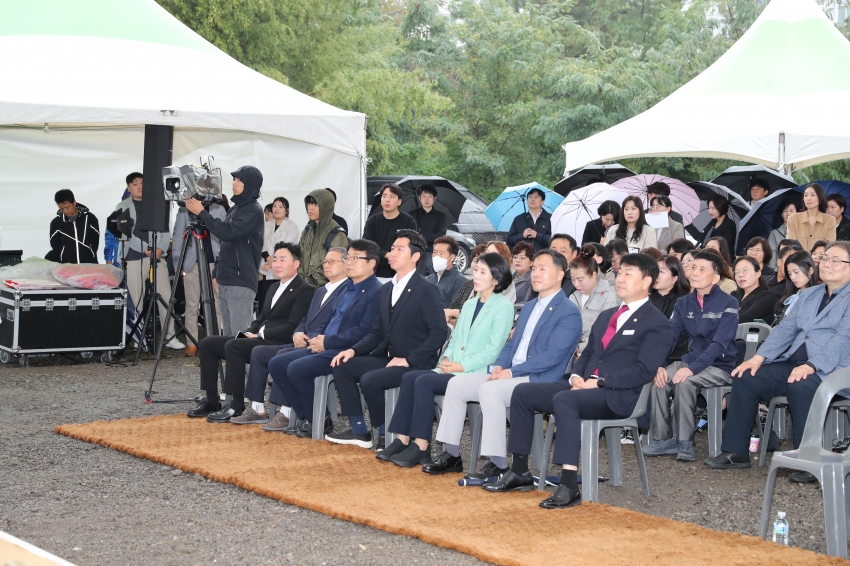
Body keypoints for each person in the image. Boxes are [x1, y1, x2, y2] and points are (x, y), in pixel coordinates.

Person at [485, 253, 672, 506]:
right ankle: (519, 471)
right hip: (585, 386)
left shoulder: (657, 323)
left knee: (565, 401)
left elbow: (644, 370)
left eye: (629, 273)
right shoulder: (608, 316)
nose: (620, 278)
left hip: (619, 394)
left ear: (647, 281)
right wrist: (575, 376)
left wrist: (602, 382)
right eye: (620, 272)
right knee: (523, 393)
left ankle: (569, 484)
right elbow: (588, 355)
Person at [705, 242, 850, 479]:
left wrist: (812, 365)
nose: (827, 264)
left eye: (836, 260)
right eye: (824, 259)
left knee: (800, 385)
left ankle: (809, 460)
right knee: (745, 375)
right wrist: (758, 358)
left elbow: (843, 338)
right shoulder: (810, 294)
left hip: (833, 369)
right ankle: (735, 452)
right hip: (795, 364)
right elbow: (786, 330)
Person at [432, 249, 582, 478]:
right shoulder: (530, 306)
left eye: (543, 269)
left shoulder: (569, 311)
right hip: (511, 373)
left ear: (561, 274)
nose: (536, 274)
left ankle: (498, 463)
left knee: (490, 391)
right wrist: (498, 366)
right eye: (534, 269)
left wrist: (511, 371)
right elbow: (511, 345)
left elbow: (552, 357)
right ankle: (451, 454)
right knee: (456, 385)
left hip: (537, 378)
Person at [377, 253, 514, 468]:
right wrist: (446, 359)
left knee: (422, 381)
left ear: (496, 279)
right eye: (475, 270)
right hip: (453, 367)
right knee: (410, 377)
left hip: (476, 371)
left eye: (482, 272)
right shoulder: (469, 305)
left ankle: (422, 446)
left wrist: (460, 366)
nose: (475, 276)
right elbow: (455, 339)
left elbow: (493, 350)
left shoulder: (503, 306)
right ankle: (402, 439)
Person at [328, 230, 447, 448]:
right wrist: (353, 350)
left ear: (415, 256)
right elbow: (377, 333)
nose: (392, 253)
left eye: (399, 249)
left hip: (416, 362)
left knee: (370, 380)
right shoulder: (387, 289)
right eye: (392, 249)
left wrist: (409, 360)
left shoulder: (426, 289)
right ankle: (359, 430)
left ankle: (384, 433)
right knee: (343, 364)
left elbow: (439, 332)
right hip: (389, 358)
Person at [186, 243, 315, 421]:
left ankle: (236, 404)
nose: (277, 264)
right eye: (275, 259)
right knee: (208, 343)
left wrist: (261, 334)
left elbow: (293, 327)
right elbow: (260, 318)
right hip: (259, 337)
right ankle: (211, 399)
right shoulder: (273, 287)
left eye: (283, 260)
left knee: (234, 346)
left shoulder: (305, 290)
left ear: (296, 264)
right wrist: (249, 332)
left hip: (277, 341)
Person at [267, 240, 383, 437]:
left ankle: (320, 419)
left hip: (346, 349)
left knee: (296, 369)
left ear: (371, 263)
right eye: (348, 258)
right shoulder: (346, 288)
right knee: (277, 363)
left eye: (356, 258)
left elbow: (364, 331)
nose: (349, 262)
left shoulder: (376, 291)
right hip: (325, 344)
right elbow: (328, 319)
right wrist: (316, 338)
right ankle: (311, 416)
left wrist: (327, 342)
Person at [230, 247, 349, 427]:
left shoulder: (347, 291)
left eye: (332, 261)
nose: (326, 265)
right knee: (259, 352)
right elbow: (305, 319)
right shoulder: (321, 291)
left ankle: (285, 411)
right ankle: (257, 408)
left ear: (346, 264)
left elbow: (336, 323)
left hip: (322, 345)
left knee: (280, 357)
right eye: (325, 262)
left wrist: (310, 338)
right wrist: (298, 333)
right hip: (304, 340)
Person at [645, 251, 739, 461]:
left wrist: (692, 369)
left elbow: (719, 344)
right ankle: (663, 440)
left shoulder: (728, 303)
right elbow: (669, 336)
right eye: (693, 267)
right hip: (691, 361)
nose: (694, 272)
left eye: (702, 269)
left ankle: (685, 442)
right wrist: (659, 364)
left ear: (715, 278)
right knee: (659, 380)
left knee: (686, 383)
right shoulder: (684, 302)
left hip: (720, 366)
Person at [185, 166, 265, 337]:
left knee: (240, 338)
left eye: (238, 180)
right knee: (228, 339)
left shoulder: (254, 210)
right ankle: (232, 365)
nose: (234, 183)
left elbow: (228, 232)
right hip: (226, 280)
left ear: (249, 184)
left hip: (240, 281)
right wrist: (217, 273)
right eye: (234, 179)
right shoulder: (235, 208)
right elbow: (225, 245)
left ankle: (245, 366)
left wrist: (202, 213)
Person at [116, 173, 184, 349]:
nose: (139, 186)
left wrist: (160, 248)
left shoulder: (157, 205)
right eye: (135, 183)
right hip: (134, 258)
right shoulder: (122, 206)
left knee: (166, 296)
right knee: (136, 299)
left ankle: (169, 336)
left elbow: (164, 230)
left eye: (142, 183)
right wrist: (147, 248)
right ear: (128, 187)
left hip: (157, 258)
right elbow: (126, 235)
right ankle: (139, 337)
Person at [171, 200, 226, 356]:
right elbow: (177, 236)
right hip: (191, 262)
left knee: (217, 304)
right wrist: (177, 261)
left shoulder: (219, 209)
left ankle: (216, 341)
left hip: (214, 262)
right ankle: (192, 343)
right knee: (192, 304)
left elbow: (225, 236)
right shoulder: (184, 210)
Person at [568, 245, 619, 355]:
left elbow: (606, 332)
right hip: (570, 352)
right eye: (572, 279)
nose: (576, 284)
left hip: (594, 354)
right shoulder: (573, 297)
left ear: (593, 275)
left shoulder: (608, 296)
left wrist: (578, 348)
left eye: (580, 280)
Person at [363, 184, 418, 279]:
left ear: (399, 202)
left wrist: (394, 255)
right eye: (384, 196)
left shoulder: (408, 221)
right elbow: (367, 245)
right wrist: (386, 254)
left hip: (400, 273)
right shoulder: (372, 221)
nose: (387, 200)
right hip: (375, 272)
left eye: (392, 197)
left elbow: (411, 247)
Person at [298, 188, 349, 287]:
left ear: (325, 207)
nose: (310, 208)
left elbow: (333, 265)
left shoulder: (337, 234)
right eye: (309, 203)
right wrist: (300, 282)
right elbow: (299, 258)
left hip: (327, 290)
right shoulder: (308, 230)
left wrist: (307, 284)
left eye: (316, 204)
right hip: (305, 289)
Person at [651, 255, 690, 363]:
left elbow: (672, 336)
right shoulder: (645, 298)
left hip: (673, 358)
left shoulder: (683, 301)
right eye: (655, 271)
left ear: (675, 278)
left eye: (662, 272)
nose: (656, 275)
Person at [48, 189, 99, 264]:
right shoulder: (56, 223)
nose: (65, 211)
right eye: (61, 208)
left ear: (74, 203)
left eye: (67, 207)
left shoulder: (90, 218)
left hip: (89, 266)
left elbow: (95, 241)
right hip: (67, 268)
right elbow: (55, 246)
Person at [787, 183, 836, 253]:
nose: (808, 198)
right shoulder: (793, 219)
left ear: (820, 198)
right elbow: (791, 245)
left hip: (820, 261)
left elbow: (829, 246)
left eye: (812, 195)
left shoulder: (830, 220)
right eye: (806, 195)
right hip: (799, 261)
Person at [774, 250, 819, 326]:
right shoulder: (792, 296)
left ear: (810, 270)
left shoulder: (817, 297)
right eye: (790, 274)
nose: (793, 277)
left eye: (796, 272)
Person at [445, 244, 487, 324]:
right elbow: (453, 306)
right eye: (475, 260)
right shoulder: (468, 284)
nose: (477, 264)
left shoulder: (489, 289)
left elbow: (476, 315)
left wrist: (452, 312)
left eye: (481, 261)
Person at [426, 235, 467, 308]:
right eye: (434, 252)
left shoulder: (460, 282)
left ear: (452, 257)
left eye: (441, 253)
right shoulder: (429, 279)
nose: (436, 256)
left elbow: (456, 310)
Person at [731, 256, 775, 325]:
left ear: (758, 273)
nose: (740, 275)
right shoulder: (734, 295)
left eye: (745, 270)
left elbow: (745, 319)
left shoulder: (767, 297)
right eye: (736, 272)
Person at [505, 188, 552, 252]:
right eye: (530, 197)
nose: (532, 199)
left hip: (542, 257)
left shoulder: (550, 218)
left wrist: (537, 235)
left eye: (536, 197)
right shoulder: (518, 219)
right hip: (523, 258)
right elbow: (509, 241)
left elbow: (554, 240)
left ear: (542, 202)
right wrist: (522, 235)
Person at [409, 184, 449, 254]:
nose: (426, 199)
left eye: (430, 196)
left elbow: (441, 234)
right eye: (424, 196)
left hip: (433, 251)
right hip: (415, 252)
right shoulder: (412, 215)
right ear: (419, 198)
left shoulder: (441, 216)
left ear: (434, 199)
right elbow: (409, 233)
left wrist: (423, 237)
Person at [104, 177, 133, 266]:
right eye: (127, 197)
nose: (129, 200)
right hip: (119, 260)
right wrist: (109, 259)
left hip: (137, 260)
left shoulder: (144, 214)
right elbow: (109, 237)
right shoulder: (116, 214)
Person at [768, 200, 799, 269]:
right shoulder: (774, 233)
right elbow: (772, 255)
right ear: (781, 214)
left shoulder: (802, 232)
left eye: (791, 211)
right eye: (785, 211)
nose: (788, 214)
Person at [512, 241, 535, 305]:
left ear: (531, 262)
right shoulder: (509, 277)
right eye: (515, 257)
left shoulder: (532, 279)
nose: (517, 260)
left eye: (522, 258)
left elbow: (526, 302)